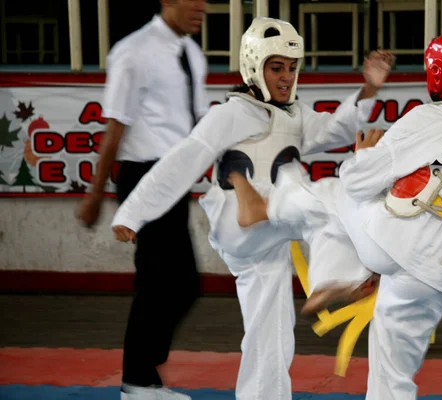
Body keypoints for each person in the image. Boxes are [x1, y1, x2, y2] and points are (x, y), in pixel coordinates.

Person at [110, 17, 393, 400]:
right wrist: (133, 213)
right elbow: (183, 160)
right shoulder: (231, 113)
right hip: (237, 221)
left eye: (292, 68)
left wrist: (369, 87)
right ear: (253, 67)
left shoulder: (294, 114)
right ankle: (321, 267)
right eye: (277, 67)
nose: (286, 77)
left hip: (267, 240)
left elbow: (335, 130)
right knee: (322, 191)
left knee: (271, 334)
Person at [229, 27, 442, 399]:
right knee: (393, 379)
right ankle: (341, 276)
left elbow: (358, 182)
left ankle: (280, 221)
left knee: (335, 192)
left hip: (395, 245)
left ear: (438, 76)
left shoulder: (429, 119)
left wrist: (363, 153)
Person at [76, 1, 208, 399]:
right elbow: (116, 126)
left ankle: (144, 378)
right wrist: (95, 194)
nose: (202, 6)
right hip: (144, 178)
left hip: (174, 178)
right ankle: (136, 383)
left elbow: (198, 123)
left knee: (183, 284)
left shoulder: (191, 53)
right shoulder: (133, 52)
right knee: (158, 282)